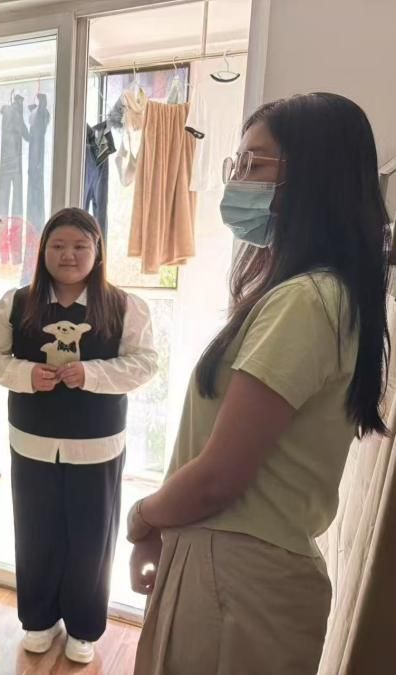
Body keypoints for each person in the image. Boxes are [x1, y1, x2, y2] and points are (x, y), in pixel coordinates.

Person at [128, 93, 391, 675]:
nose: (238, 179)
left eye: (255, 163)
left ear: (314, 176)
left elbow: (218, 477)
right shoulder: (323, 293)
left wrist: (142, 515)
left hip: (236, 578)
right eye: (237, 163)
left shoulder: (306, 300)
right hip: (238, 571)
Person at [0, 207, 158, 664]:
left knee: (91, 539)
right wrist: (25, 374)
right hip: (32, 440)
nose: (68, 255)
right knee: (35, 532)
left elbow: (145, 363)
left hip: (97, 443)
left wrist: (92, 374)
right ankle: (38, 619)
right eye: (58, 245)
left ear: (98, 252)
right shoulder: (17, 302)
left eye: (80, 246)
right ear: (43, 251)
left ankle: (83, 626)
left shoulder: (123, 305)